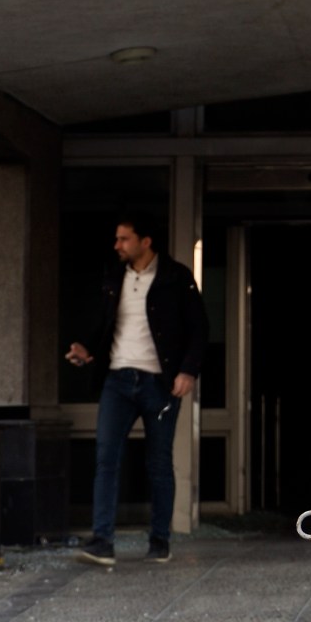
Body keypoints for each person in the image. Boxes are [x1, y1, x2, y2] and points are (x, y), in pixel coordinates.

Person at [66, 215, 206, 566]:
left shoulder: (176, 278)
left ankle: (160, 540)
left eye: (124, 239)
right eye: (117, 239)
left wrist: (187, 371)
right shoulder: (114, 278)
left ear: (145, 241)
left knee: (158, 461)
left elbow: (199, 330)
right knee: (106, 458)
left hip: (158, 382)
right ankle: (102, 541)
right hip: (116, 379)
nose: (117, 246)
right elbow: (106, 324)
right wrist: (88, 351)